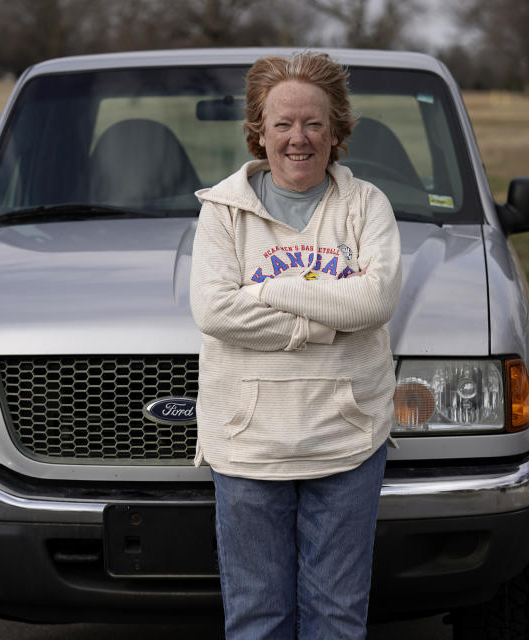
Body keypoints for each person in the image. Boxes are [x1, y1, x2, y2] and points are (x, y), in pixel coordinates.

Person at [189, 51, 402, 639]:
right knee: (258, 619)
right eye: (282, 123)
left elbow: (375, 301)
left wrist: (271, 291)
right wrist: (326, 315)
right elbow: (214, 311)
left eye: (313, 123)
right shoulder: (223, 213)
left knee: (336, 618)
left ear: (337, 131)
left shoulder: (366, 207)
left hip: (347, 439)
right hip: (247, 444)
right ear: (259, 131)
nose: (298, 138)